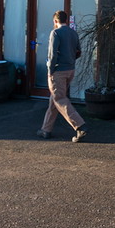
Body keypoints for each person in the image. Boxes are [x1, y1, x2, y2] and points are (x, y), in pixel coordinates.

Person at [37, 10, 88, 143]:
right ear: (66, 19)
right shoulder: (73, 33)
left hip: (58, 71)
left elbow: (52, 55)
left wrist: (50, 70)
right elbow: (78, 52)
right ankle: (45, 130)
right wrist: (70, 60)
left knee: (59, 99)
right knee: (54, 99)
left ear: (55, 21)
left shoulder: (55, 33)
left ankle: (80, 126)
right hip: (70, 70)